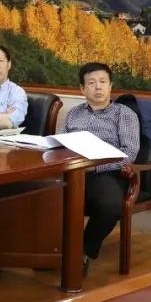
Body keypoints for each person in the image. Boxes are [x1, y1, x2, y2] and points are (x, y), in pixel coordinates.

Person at [63, 62, 140, 274]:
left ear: (110, 86)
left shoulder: (124, 114)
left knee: (110, 205)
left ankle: (82, 251)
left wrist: (95, 168)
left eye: (103, 82)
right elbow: (61, 143)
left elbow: (129, 153)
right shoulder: (73, 114)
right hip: (73, 170)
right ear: (82, 89)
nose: (98, 87)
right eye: (92, 83)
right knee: (42, 194)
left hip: (108, 172)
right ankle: (49, 251)